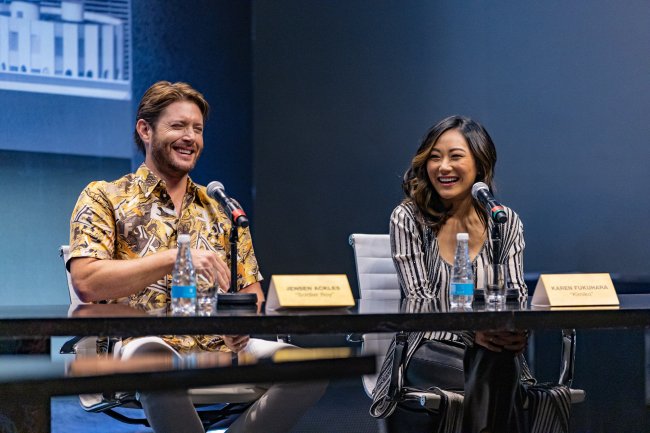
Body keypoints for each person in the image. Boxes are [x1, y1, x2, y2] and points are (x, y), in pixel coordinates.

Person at [67, 80, 326, 433]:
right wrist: (175, 258)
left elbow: (251, 295)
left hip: (218, 347)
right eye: (178, 126)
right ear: (145, 129)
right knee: (153, 358)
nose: (191, 137)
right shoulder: (105, 196)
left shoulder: (221, 209)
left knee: (313, 369)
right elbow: (86, 281)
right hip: (139, 346)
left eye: (198, 129)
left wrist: (240, 325)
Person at [370, 116, 570, 433]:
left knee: (496, 362)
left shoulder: (504, 222)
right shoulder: (408, 217)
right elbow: (420, 301)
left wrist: (517, 334)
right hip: (426, 349)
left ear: (480, 165)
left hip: (494, 351)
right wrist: (473, 334)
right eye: (434, 157)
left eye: (455, 156)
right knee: (498, 370)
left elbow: (515, 296)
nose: (443, 167)